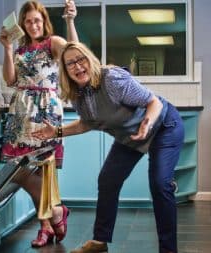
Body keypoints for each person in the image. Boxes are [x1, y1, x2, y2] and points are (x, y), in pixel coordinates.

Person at [32, 41, 184, 253]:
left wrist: (147, 122)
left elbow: (154, 103)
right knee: (108, 179)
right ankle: (100, 241)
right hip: (130, 136)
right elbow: (87, 122)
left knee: (160, 184)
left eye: (80, 59)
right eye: (70, 64)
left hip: (163, 125)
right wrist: (57, 131)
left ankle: (168, 250)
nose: (77, 66)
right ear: (65, 71)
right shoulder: (78, 95)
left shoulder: (112, 79)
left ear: (90, 59)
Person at [0, 0, 78, 248]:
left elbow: (74, 52)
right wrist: (7, 48)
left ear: (44, 22)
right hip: (21, 110)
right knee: (21, 169)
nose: (33, 25)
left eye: (37, 21)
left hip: (45, 111)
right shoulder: (20, 49)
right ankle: (55, 213)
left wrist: (70, 21)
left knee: (44, 171)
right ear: (22, 24)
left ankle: (47, 225)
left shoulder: (52, 43)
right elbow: (11, 80)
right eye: (28, 21)